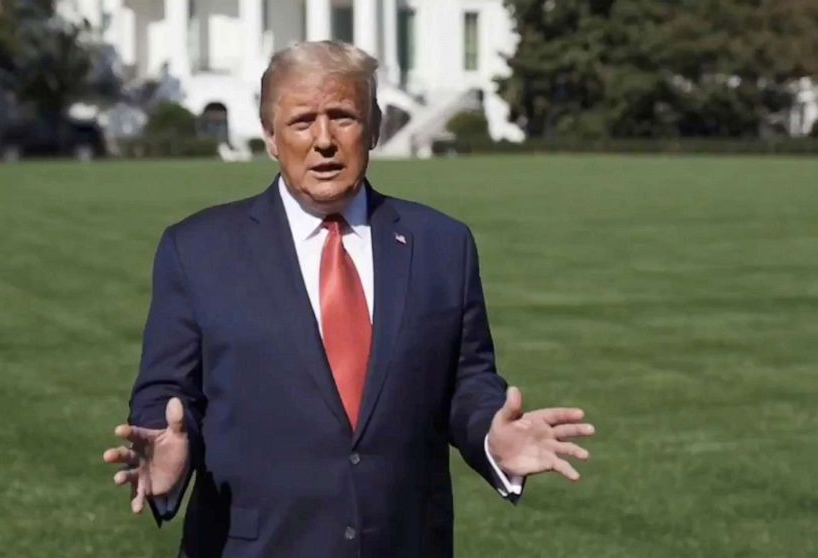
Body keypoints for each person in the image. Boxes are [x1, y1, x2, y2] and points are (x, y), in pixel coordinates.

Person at [102, 40, 594, 558]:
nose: (324, 141)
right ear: (270, 135)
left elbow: (466, 384)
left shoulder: (442, 244)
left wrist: (493, 438)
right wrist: (166, 450)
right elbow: (167, 395)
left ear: (374, 128)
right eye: (301, 122)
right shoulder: (197, 249)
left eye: (343, 117)